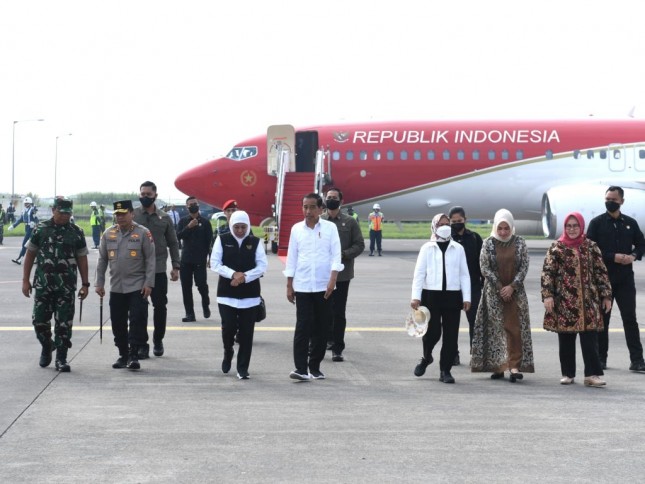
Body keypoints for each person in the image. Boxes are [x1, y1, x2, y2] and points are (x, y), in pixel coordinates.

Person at [541, 212, 612, 387]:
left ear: (581, 227)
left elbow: (601, 272)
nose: (572, 229)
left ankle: (592, 375)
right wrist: (548, 295)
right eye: (568, 226)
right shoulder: (556, 248)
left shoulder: (591, 247)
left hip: (588, 301)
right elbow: (548, 273)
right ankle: (568, 373)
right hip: (565, 301)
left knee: (590, 340)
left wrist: (606, 295)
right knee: (566, 339)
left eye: (575, 226)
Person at [21, 197, 90, 372]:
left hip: (66, 287)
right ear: (53, 210)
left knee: (64, 324)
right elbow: (30, 254)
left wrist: (85, 284)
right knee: (39, 322)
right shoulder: (40, 229)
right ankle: (47, 345)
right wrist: (25, 280)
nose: (65, 216)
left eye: (68, 213)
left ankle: (61, 359)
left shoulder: (76, 232)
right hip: (43, 285)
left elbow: (82, 258)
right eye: (61, 212)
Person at [284, 193, 344, 381]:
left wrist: (333, 280)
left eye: (311, 207)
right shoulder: (296, 229)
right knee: (303, 326)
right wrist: (289, 284)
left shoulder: (330, 229)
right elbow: (291, 257)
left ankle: (315, 367)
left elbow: (336, 255)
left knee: (322, 327)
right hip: (302, 285)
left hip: (323, 286)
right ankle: (300, 368)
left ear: (320, 209)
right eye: (304, 207)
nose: (307, 211)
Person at [471, 209, 535, 382]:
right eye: (500, 228)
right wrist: (501, 288)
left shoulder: (520, 243)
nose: (503, 232)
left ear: (512, 227)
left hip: (516, 293)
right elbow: (485, 268)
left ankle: (514, 366)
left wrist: (512, 287)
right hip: (493, 293)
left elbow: (524, 267)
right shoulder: (488, 243)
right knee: (496, 330)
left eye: (507, 228)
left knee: (515, 329)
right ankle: (498, 366)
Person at [586, 186, 645, 372]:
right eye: (607, 198)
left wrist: (633, 256)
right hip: (604, 280)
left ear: (622, 201)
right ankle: (601, 359)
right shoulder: (596, 223)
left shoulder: (630, 223)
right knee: (603, 320)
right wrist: (613, 257)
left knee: (630, 319)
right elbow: (590, 250)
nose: (610, 202)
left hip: (626, 280)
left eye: (614, 199)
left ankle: (637, 360)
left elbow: (641, 244)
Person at [95, 200, 155, 370]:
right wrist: (99, 283)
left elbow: (151, 260)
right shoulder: (108, 234)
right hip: (116, 287)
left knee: (137, 321)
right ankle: (123, 354)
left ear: (132, 214)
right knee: (118, 322)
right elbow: (102, 260)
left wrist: (149, 283)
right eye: (117, 214)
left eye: (123, 214)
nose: (120, 217)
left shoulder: (143, 233)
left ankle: (134, 355)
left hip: (137, 286)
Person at [411, 214, 471, 384]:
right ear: (434, 226)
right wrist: (415, 297)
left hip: (452, 296)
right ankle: (426, 356)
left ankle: (445, 370)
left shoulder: (457, 248)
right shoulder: (427, 248)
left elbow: (464, 275)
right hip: (431, 295)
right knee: (433, 333)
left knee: (451, 336)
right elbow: (419, 274)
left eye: (447, 224)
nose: (444, 227)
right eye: (441, 224)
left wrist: (466, 297)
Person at [211, 210, 267, 379]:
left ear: (248, 226)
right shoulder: (222, 240)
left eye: (243, 227)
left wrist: (244, 278)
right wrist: (233, 274)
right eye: (237, 227)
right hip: (226, 294)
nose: (240, 231)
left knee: (246, 333)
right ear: (231, 225)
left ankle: (243, 367)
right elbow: (214, 263)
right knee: (228, 329)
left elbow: (262, 266)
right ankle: (228, 352)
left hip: (250, 296)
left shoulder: (256, 242)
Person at [133, 181, 181, 358]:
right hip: (138, 270)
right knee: (139, 308)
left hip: (159, 270)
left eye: (148, 194)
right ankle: (142, 343)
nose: (145, 197)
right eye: (142, 194)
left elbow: (173, 243)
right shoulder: (133, 216)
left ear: (155, 196)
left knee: (160, 306)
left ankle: (158, 339)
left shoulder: (165, 218)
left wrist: (176, 266)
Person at [321, 187, 365, 361]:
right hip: (323, 274)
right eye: (328, 197)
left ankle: (337, 348)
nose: (331, 199)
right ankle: (322, 341)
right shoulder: (320, 220)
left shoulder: (350, 222)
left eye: (334, 197)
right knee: (322, 311)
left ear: (341, 201)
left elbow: (359, 245)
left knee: (338, 312)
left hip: (342, 275)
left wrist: (344, 254)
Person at [448, 206, 483, 365]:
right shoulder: (446, 238)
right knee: (451, 324)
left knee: (474, 322)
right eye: (453, 222)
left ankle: (474, 353)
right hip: (453, 288)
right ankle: (453, 353)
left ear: (465, 220)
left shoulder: (475, 238)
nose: (456, 224)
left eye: (459, 221)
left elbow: (481, 262)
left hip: (473, 287)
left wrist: (483, 281)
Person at [177, 196, 213, 322]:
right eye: (190, 204)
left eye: (195, 203)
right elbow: (178, 236)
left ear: (198, 205)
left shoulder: (206, 222)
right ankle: (190, 314)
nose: (193, 206)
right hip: (186, 260)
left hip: (200, 260)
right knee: (186, 288)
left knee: (201, 285)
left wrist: (210, 258)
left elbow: (210, 242)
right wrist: (189, 227)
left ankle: (205, 304)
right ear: (187, 207)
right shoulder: (182, 221)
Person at [9, 196, 39, 265]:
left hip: (31, 229)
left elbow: (36, 219)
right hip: (27, 228)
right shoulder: (24, 211)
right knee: (33, 245)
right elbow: (20, 220)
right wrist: (13, 226)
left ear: (30, 203)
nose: (26, 204)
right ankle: (37, 258)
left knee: (25, 244)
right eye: (25, 203)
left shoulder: (32, 210)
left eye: (27, 203)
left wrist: (35, 224)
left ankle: (19, 259)